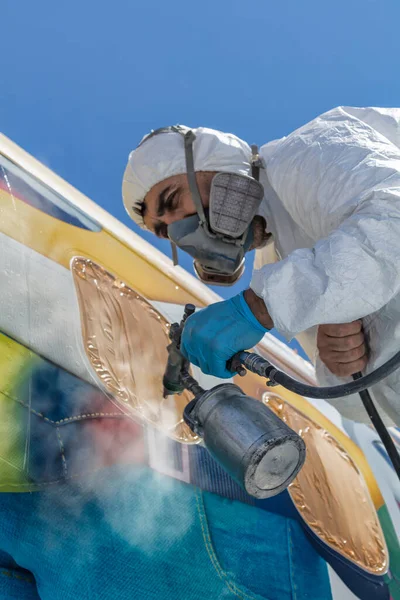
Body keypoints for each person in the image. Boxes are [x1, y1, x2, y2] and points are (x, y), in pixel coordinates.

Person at [123, 107, 400, 427]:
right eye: (165, 231)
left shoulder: (304, 152)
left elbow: (393, 216)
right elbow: (375, 409)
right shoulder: (282, 266)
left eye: (173, 201)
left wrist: (261, 307)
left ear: (215, 163)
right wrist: (337, 365)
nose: (181, 231)